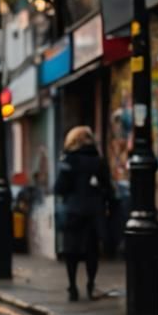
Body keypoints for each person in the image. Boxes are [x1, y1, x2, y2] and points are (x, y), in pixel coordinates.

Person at [54, 126, 114, 301]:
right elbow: (108, 189)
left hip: (73, 212)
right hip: (94, 213)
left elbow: (59, 187)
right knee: (91, 252)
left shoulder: (69, 160)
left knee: (71, 252)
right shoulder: (98, 161)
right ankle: (90, 284)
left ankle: (72, 287)